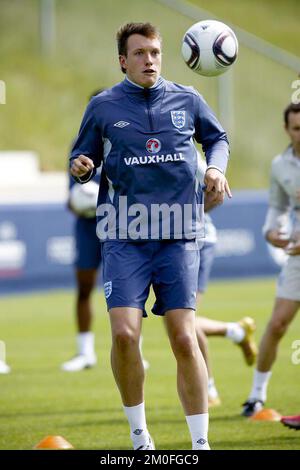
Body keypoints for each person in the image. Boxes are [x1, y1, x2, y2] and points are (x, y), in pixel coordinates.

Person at [70, 22, 231, 450]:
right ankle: (140, 437)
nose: (150, 60)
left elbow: (217, 139)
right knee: (124, 334)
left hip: (179, 236)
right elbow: (79, 153)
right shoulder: (103, 106)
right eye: (140, 53)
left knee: (183, 336)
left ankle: (200, 445)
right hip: (124, 235)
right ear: (123, 60)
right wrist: (82, 165)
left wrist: (215, 167)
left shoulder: (188, 99)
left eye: (155, 53)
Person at [62, 89, 149, 372]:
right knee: (84, 287)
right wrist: (81, 202)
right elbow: (71, 198)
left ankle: (137, 350)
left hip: (123, 225)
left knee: (134, 293)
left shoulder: (129, 139)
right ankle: (85, 352)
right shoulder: (80, 146)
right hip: (89, 229)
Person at [242, 102, 300, 417]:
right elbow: (278, 207)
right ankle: (256, 396)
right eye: (297, 129)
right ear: (286, 129)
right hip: (297, 255)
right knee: (277, 324)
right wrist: (271, 231)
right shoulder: (280, 165)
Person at [194, 157, 257, 406]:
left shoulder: (186, 149)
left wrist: (184, 216)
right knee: (178, 323)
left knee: (185, 321)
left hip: (198, 241)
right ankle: (237, 331)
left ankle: (208, 389)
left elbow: (218, 190)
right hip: (166, 244)